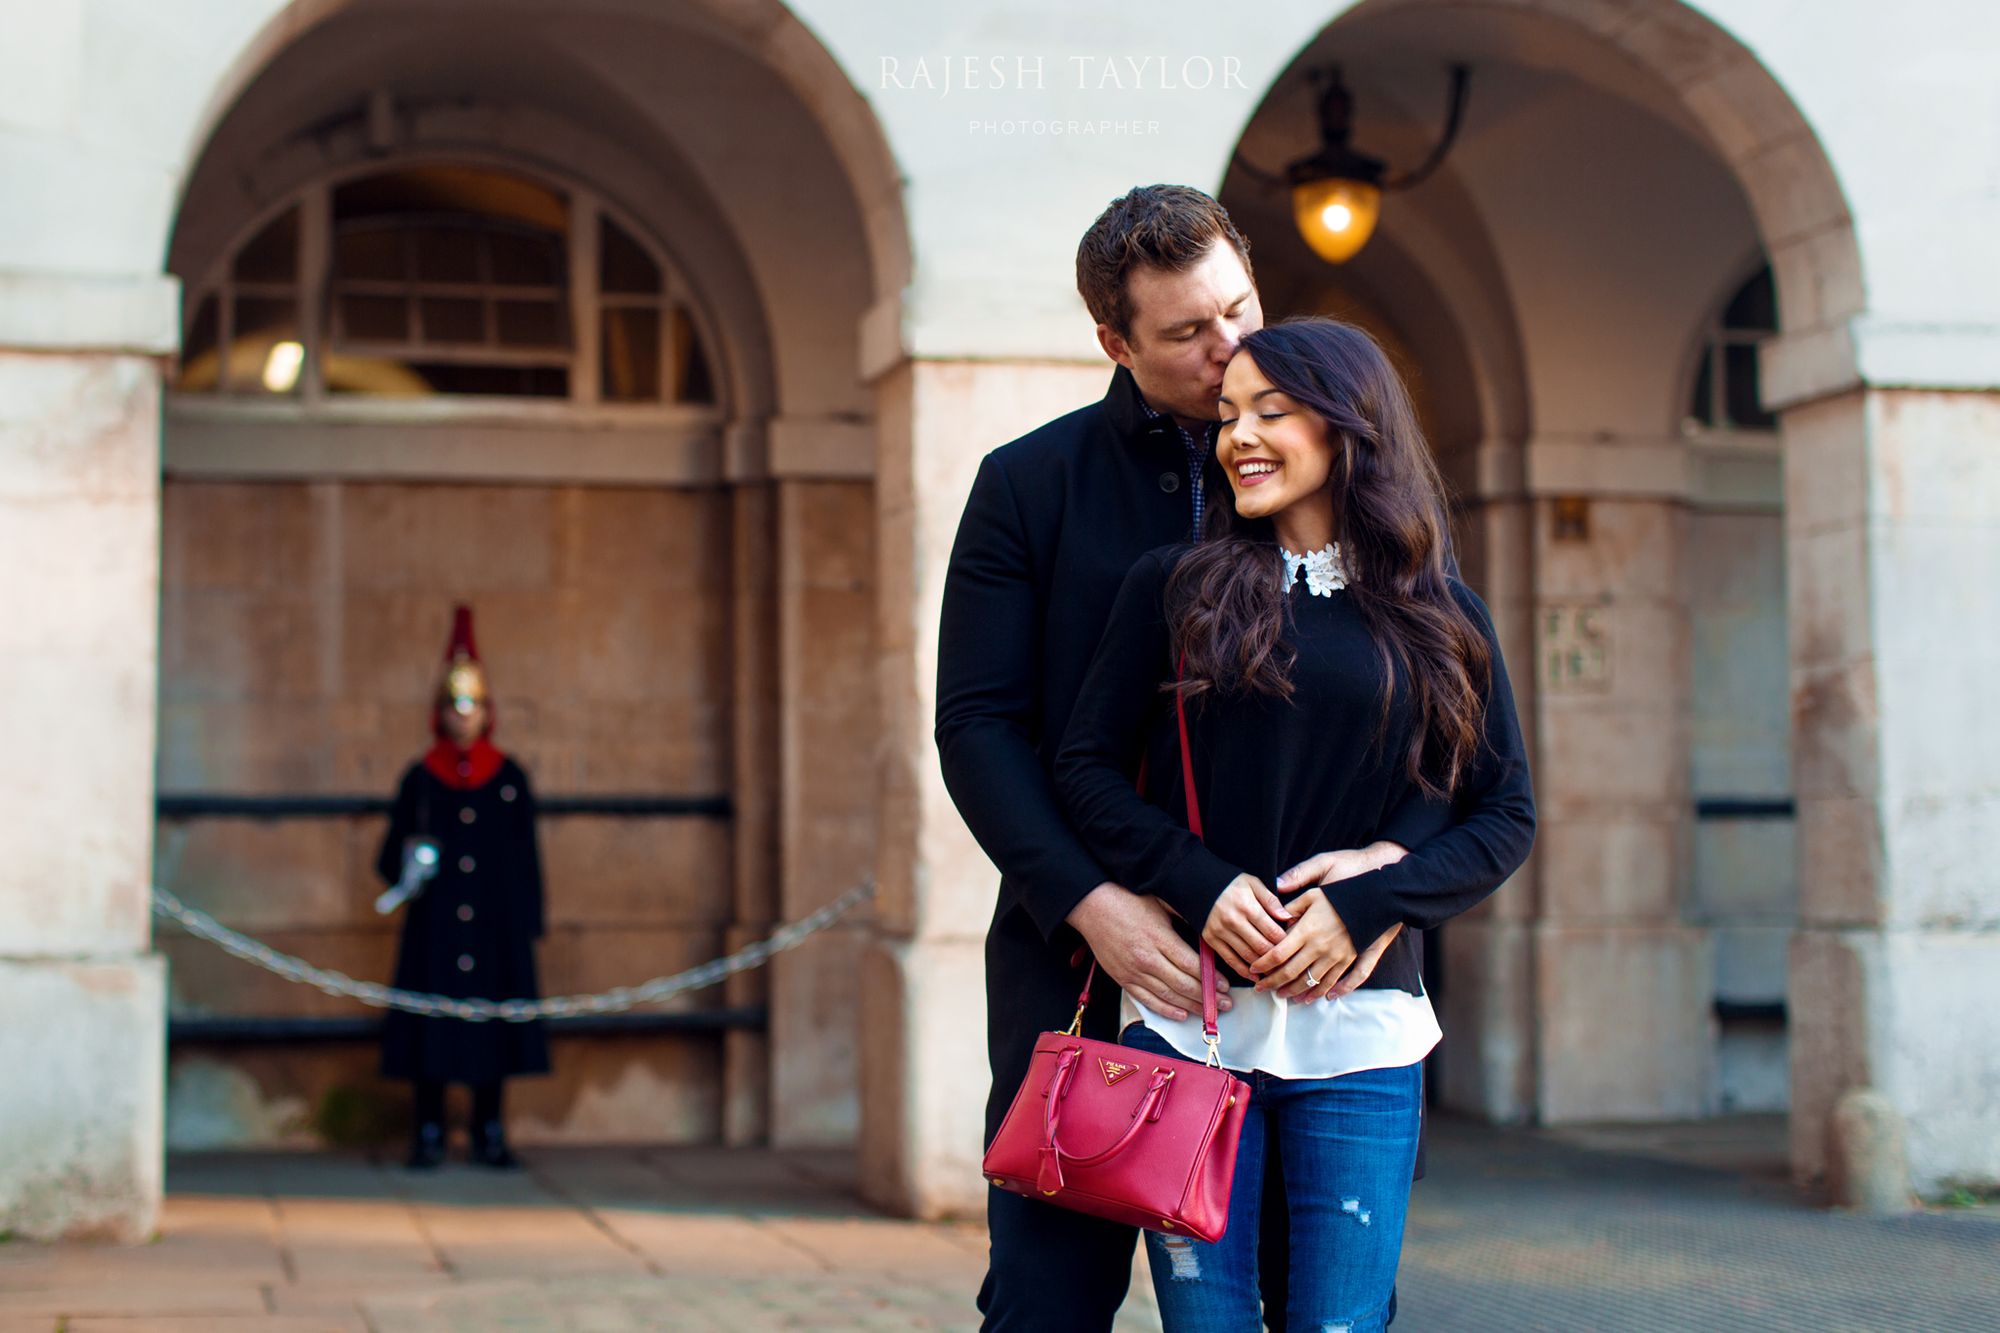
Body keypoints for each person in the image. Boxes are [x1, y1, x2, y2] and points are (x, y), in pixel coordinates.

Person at [935, 187, 1407, 1332]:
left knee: (1322, 1304)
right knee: (1048, 1299)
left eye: (1238, 306)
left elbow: (1433, 713)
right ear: (1114, 342)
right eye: (1188, 333)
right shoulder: (1026, 484)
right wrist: (1090, 903)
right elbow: (978, 727)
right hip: (1094, 963)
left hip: (1302, 966)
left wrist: (1391, 875)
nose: (1230, 347)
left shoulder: (1346, 481)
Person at [1054, 318, 1536, 1332]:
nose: (1239, 436)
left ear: (1346, 428)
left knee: (1337, 1325)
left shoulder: (1440, 614)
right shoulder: (1174, 588)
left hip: (1361, 1041)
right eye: (1228, 415)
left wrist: (1368, 903)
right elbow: (1085, 770)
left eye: (1270, 411)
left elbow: (1502, 813)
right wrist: (1199, 883)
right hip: (1190, 1031)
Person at [377, 604, 550, 1170]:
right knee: (432, 1027)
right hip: (438, 926)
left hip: (495, 926)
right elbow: (388, 856)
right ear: (440, 712)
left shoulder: (509, 779)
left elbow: (526, 859)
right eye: (455, 705)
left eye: (472, 704)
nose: (463, 715)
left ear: (487, 711)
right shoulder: (421, 779)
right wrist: (408, 864)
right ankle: (427, 1127)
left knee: (492, 1029)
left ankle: (488, 1128)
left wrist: (527, 924)